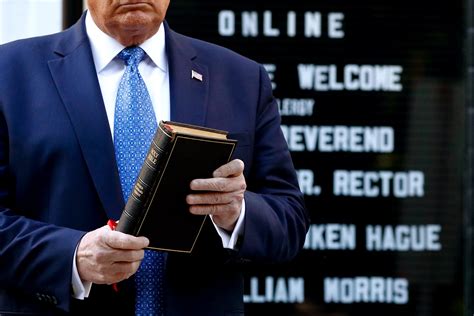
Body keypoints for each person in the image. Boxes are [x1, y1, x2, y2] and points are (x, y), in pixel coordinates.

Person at [0, 0, 309, 315]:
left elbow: (289, 221)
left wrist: (236, 213)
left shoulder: (241, 78)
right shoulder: (9, 73)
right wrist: (71, 256)